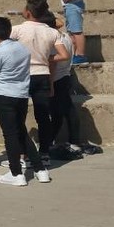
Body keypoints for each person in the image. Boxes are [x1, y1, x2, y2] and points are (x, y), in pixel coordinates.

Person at [0, 17, 51, 187]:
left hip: (3, 95)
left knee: (10, 135)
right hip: (21, 94)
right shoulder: (22, 48)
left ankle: (16, 173)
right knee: (21, 132)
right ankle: (40, 169)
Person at [10, 0, 70, 165]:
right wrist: (48, 59)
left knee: (18, 116)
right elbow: (63, 55)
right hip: (42, 75)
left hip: (23, 76)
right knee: (43, 117)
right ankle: (44, 153)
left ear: (28, 12)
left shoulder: (17, 29)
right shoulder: (52, 32)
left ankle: (24, 153)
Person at [47, 16, 84, 152]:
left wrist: (50, 84)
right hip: (65, 76)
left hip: (56, 79)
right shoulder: (65, 37)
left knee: (58, 113)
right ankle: (72, 140)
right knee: (66, 110)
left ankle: (52, 141)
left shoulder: (55, 40)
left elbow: (53, 66)